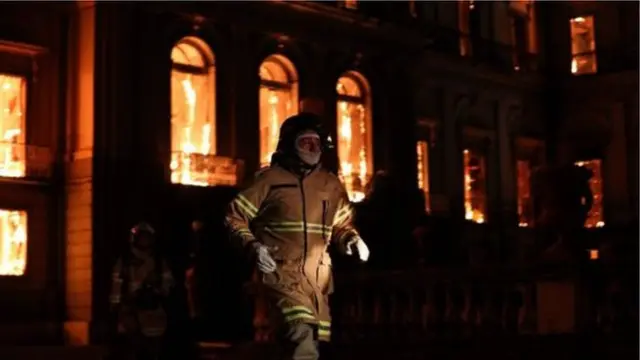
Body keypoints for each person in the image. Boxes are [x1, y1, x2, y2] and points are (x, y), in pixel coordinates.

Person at [225, 112, 370, 360]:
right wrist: (253, 247)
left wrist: (351, 238)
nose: (313, 148)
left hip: (318, 281)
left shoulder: (330, 184)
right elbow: (234, 217)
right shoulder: (269, 181)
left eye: (317, 142)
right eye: (306, 142)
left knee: (308, 342)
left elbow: (341, 223)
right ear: (289, 144)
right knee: (302, 338)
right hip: (280, 274)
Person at [109, 222, 174, 360]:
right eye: (142, 238)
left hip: (153, 309)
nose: (145, 241)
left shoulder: (158, 261)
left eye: (147, 238)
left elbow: (168, 281)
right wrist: (116, 304)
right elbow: (116, 283)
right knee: (132, 347)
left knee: (154, 349)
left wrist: (159, 292)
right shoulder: (125, 261)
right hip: (131, 308)